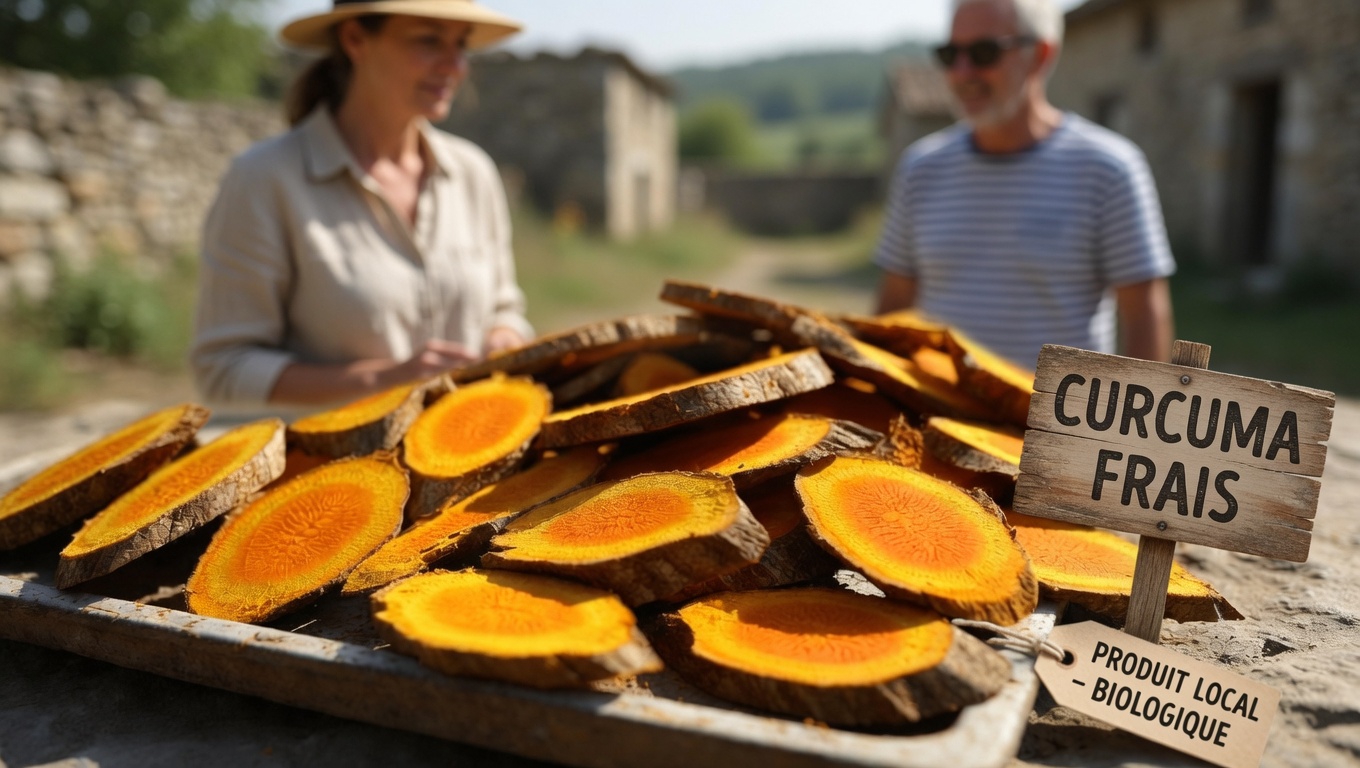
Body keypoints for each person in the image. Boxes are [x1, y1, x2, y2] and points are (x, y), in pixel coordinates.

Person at [190, 0, 534, 407]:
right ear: (355, 38)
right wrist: (386, 379)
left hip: (469, 453)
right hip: (334, 468)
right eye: (428, 40)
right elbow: (224, 367)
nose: (454, 66)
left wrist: (504, 337)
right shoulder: (264, 179)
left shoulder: (472, 173)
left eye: (460, 45)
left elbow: (504, 309)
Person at [874, 0, 1175, 368]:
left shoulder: (1109, 168)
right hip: (937, 418)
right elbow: (894, 304)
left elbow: (1144, 315)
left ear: (1041, 55)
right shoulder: (919, 169)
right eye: (950, 53)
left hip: (1055, 423)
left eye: (984, 52)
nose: (962, 71)